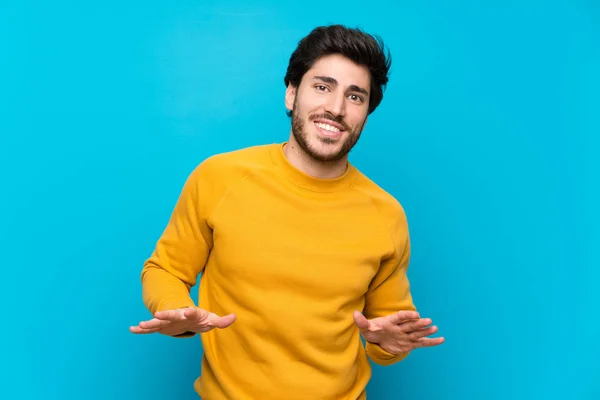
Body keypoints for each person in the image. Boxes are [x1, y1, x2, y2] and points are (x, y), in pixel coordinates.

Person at [130, 24, 444, 399]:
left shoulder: (386, 214)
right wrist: (177, 311)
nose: (337, 108)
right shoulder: (219, 178)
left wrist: (390, 345)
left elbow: (390, 325)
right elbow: (165, 269)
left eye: (355, 96)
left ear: (365, 114)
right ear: (292, 94)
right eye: (322, 87)